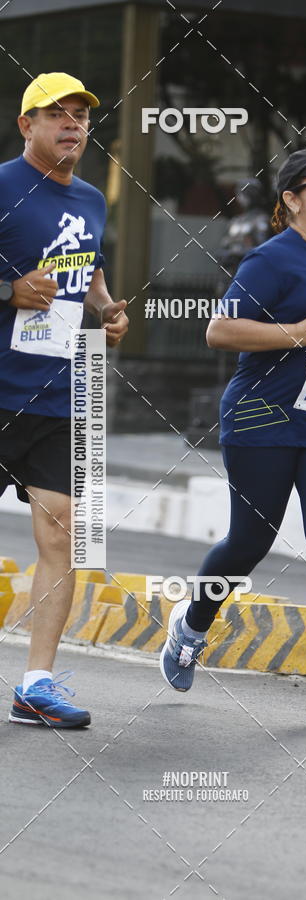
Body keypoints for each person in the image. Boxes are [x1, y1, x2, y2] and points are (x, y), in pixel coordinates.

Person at [160, 147, 306, 724]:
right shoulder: (271, 259)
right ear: (291, 200)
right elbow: (220, 330)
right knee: (249, 543)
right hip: (264, 417)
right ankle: (190, 627)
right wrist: (299, 331)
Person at [0, 72, 129, 728]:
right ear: (28, 127)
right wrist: (8, 292)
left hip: (53, 395)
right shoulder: (1, 185)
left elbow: (90, 264)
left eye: (81, 115)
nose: (74, 125)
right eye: (58, 116)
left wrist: (104, 306)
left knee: (60, 534)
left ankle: (37, 684)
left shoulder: (91, 198)